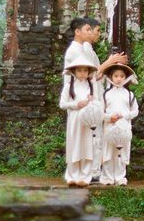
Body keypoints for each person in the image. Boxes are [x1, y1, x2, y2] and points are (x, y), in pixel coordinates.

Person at [59, 52, 102, 187]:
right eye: (79, 70)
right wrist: (76, 105)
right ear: (74, 71)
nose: (82, 73)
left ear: (88, 72)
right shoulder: (69, 87)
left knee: (87, 147)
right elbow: (62, 104)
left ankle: (85, 175)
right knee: (74, 146)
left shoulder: (91, 86)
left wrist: (91, 101)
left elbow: (98, 104)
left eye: (85, 70)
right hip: (74, 121)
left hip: (87, 122)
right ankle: (72, 175)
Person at [99, 62, 139, 186]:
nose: (119, 78)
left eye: (122, 76)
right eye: (116, 76)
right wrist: (109, 117)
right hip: (109, 127)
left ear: (125, 78)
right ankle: (108, 177)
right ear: (111, 77)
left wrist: (125, 116)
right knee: (108, 152)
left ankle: (121, 177)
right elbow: (100, 112)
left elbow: (135, 111)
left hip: (124, 128)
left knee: (122, 152)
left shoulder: (129, 95)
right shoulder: (105, 94)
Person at [63, 17, 127, 82]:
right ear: (77, 32)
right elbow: (88, 75)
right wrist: (109, 62)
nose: (90, 33)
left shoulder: (83, 48)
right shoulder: (74, 50)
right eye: (87, 30)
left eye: (90, 30)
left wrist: (113, 63)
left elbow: (96, 76)